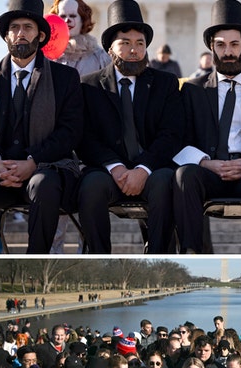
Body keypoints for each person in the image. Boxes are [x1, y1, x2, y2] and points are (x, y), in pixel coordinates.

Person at [0, 0, 84, 254]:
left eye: (28, 27)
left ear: (41, 35)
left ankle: (37, 261)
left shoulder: (65, 78)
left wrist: (33, 162)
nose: (20, 33)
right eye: (14, 27)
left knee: (44, 185)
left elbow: (70, 131)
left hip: (44, 170)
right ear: (6, 36)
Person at [173, 0, 241, 255]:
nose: (228, 52)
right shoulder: (192, 90)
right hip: (208, 170)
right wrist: (206, 163)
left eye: (234, 44)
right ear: (212, 47)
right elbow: (178, 136)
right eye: (220, 45)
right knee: (184, 175)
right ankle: (191, 252)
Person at [76, 0, 182, 254]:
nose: (134, 50)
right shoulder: (88, 85)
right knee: (91, 186)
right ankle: (99, 257)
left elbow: (172, 133)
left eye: (140, 43)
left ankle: (158, 255)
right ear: (110, 49)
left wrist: (143, 169)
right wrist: (115, 167)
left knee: (165, 183)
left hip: (153, 169)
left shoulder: (166, 83)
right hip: (109, 170)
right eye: (125, 43)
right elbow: (85, 137)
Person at [50, 0, 110, 76]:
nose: (67, 20)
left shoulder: (99, 56)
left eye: (72, 16)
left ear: (83, 19)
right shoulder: (47, 55)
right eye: (63, 16)